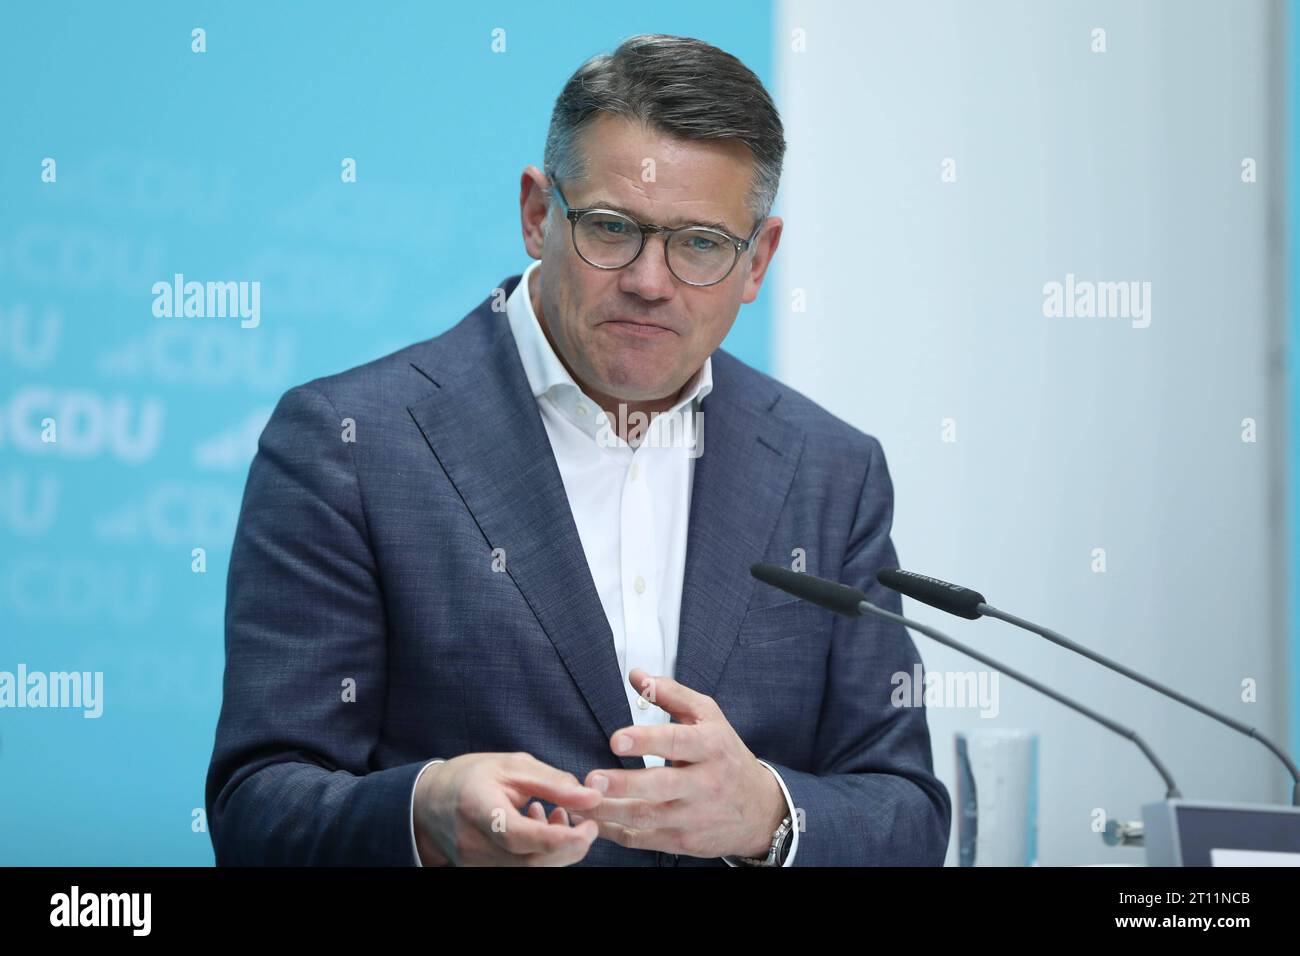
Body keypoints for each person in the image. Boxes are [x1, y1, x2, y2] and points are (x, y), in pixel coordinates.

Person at [205, 33, 950, 867]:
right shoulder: (348, 443)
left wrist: (768, 817)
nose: (650, 280)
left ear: (758, 261)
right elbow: (259, 807)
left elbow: (907, 812)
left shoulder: (830, 469)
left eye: (701, 243)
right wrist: (425, 811)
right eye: (611, 228)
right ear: (536, 214)